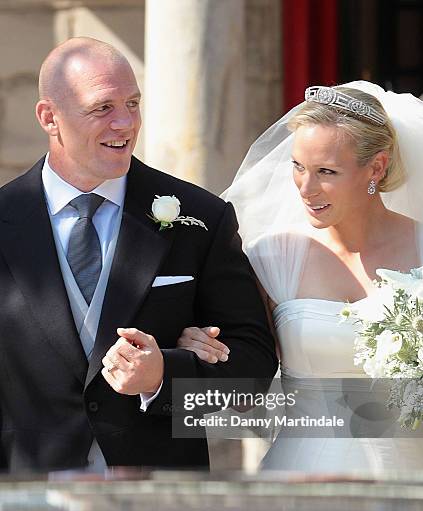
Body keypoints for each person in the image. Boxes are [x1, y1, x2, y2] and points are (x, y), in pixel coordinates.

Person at [0, 37, 277, 473]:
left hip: (159, 500)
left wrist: (165, 376)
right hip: (26, 503)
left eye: (133, 103)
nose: (125, 123)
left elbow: (253, 374)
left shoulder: (202, 218)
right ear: (49, 117)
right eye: (103, 108)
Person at [177, 82, 423, 473]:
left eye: (326, 171)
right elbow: (245, 391)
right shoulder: (271, 258)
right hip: (301, 476)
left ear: (376, 167)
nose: (306, 189)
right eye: (298, 166)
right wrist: (202, 350)